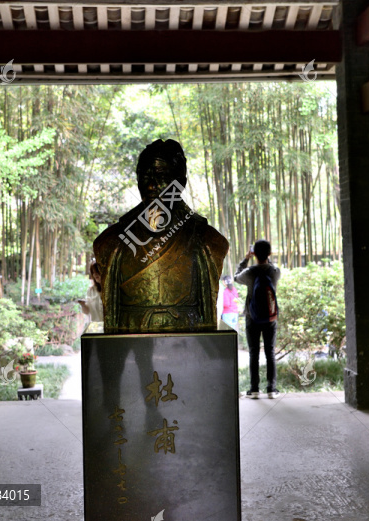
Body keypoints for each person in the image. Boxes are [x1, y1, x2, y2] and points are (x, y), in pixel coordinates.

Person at [92, 139, 229, 333]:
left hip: (187, 339)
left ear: (180, 183)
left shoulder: (206, 240)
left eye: (160, 176)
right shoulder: (112, 241)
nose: (150, 186)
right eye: (145, 177)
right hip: (130, 338)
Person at [235, 239, 281, 399]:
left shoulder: (249, 272)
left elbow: (235, 277)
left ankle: (254, 389)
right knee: (270, 351)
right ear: (269, 253)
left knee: (253, 352)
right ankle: (271, 389)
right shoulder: (275, 271)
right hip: (270, 317)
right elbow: (271, 266)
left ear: (254, 253)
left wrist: (246, 259)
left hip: (251, 317)